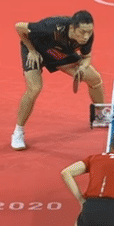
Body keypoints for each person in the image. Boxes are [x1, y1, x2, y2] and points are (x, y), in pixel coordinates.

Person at [12, 10, 105, 151]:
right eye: (82, 32)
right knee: (34, 88)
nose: (86, 36)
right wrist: (31, 50)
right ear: (72, 28)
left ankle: (101, 115)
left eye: (89, 32)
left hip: (58, 53)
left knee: (94, 78)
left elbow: (86, 57)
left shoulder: (88, 36)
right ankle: (18, 131)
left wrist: (82, 67)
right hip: (35, 51)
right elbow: (19, 27)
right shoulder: (51, 27)